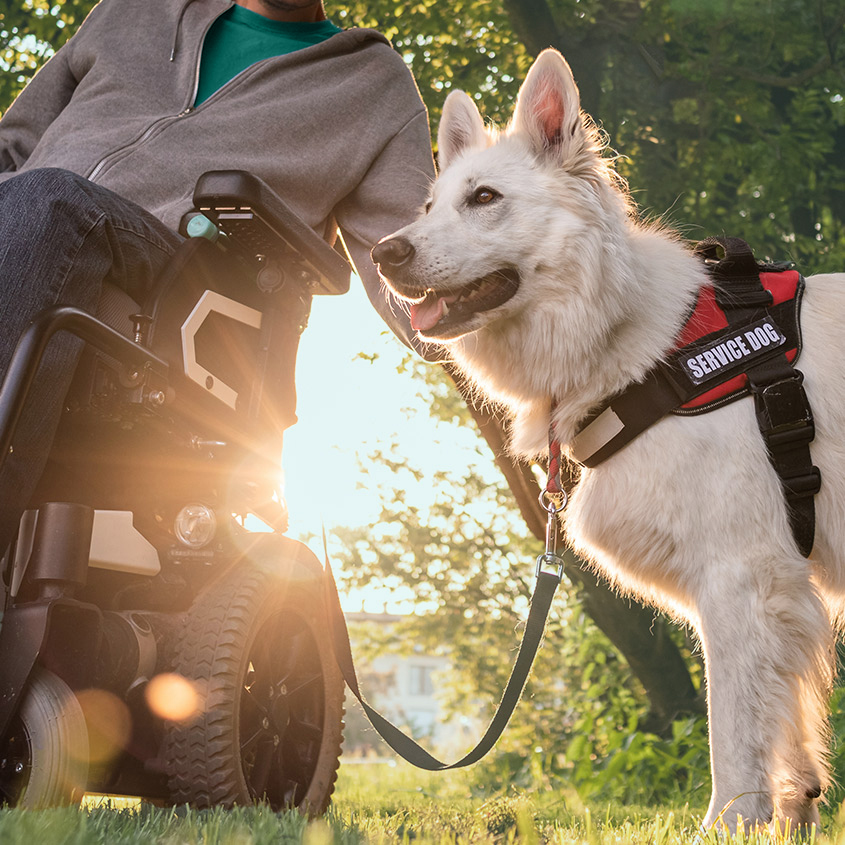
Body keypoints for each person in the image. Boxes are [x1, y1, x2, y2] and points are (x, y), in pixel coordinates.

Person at [0, 0, 435, 549]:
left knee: (49, 203)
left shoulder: (372, 84)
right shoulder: (133, 10)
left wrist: (505, 321)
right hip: (20, 225)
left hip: (172, 278)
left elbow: (419, 261)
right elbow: (12, 146)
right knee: (32, 204)